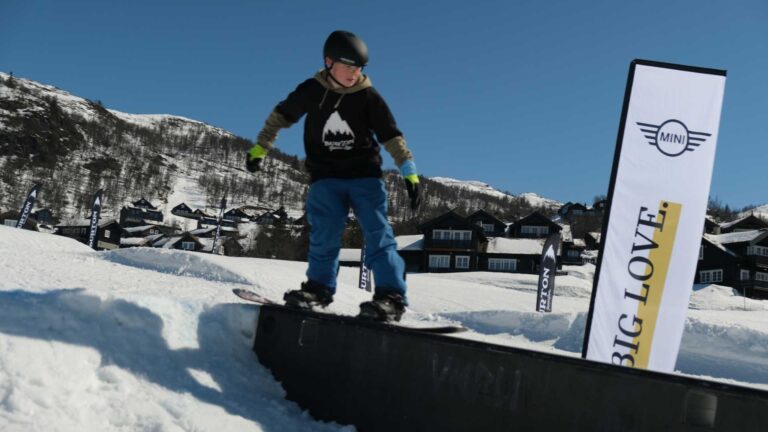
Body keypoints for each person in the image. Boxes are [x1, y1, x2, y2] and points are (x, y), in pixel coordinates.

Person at [246, 30, 421, 321]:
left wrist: (409, 171)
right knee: (324, 237)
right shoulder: (311, 91)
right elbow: (280, 117)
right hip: (325, 179)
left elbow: (391, 136)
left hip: (365, 177)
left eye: (359, 68)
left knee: (378, 235)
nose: (355, 73)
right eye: (349, 66)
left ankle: (391, 297)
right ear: (329, 62)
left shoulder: (368, 97)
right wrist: (260, 147)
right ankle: (318, 289)